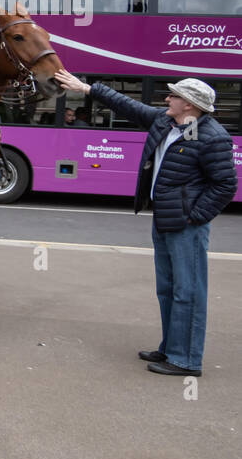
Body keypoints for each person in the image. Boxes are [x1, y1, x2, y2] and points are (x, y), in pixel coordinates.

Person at [56, 70, 237, 377]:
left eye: (174, 95)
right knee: (168, 289)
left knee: (188, 292)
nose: (167, 98)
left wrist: (194, 216)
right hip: (165, 219)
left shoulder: (212, 136)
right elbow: (127, 106)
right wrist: (86, 88)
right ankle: (170, 347)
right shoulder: (166, 122)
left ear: (190, 105)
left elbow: (225, 185)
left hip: (186, 225)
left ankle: (186, 360)